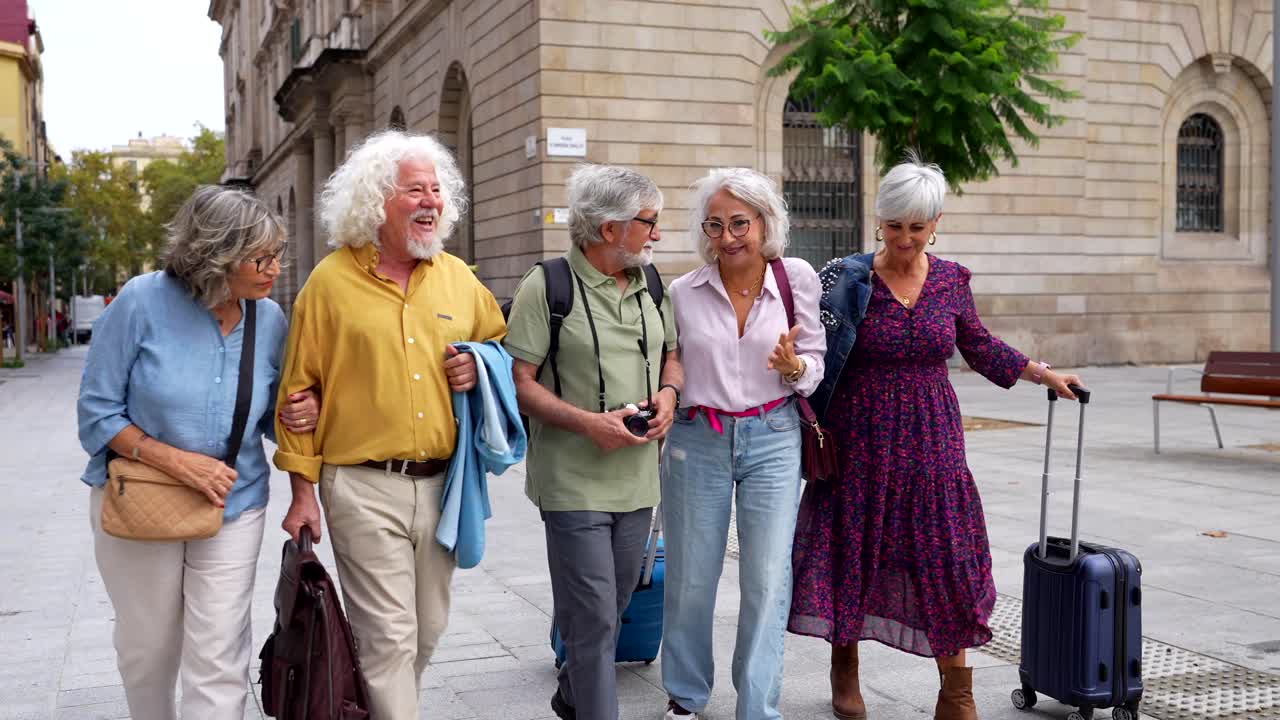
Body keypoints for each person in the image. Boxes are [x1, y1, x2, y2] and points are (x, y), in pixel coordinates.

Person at [787, 155, 1085, 720]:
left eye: (916, 227)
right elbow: (813, 355)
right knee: (856, 550)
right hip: (862, 438)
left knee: (945, 557)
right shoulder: (845, 278)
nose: (904, 238)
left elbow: (979, 344)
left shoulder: (951, 280)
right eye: (894, 225)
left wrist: (1042, 372)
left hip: (932, 439)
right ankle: (844, 667)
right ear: (879, 221)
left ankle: (956, 692)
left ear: (935, 223)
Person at [273, 129, 507, 720]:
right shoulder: (329, 283)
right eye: (414, 191)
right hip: (361, 485)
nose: (431, 202)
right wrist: (303, 494)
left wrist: (479, 369)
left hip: (442, 487)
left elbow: (502, 351)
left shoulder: (458, 277)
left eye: (437, 191)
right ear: (376, 200)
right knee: (389, 640)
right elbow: (297, 391)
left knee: (427, 632)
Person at [76, 186, 317, 719]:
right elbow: (96, 413)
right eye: (261, 257)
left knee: (219, 654)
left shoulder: (270, 319)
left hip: (234, 503)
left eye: (277, 255)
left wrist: (299, 415)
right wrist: (177, 462)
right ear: (216, 255)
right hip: (141, 499)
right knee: (149, 648)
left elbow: (274, 415)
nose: (275, 268)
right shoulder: (140, 301)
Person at [504, 164, 681, 720]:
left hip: (638, 478)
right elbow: (519, 383)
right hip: (572, 480)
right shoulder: (547, 286)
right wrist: (588, 423)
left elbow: (672, 352)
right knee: (596, 615)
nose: (657, 234)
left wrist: (670, 393)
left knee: (616, 602)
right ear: (610, 229)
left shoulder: (652, 283)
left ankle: (575, 687)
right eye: (648, 222)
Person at [659, 168, 825, 720]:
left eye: (739, 223)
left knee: (766, 575)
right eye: (715, 225)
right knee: (690, 574)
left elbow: (816, 363)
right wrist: (666, 391)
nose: (727, 237)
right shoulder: (683, 291)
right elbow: (673, 357)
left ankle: (758, 706)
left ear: (763, 222)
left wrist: (794, 366)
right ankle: (685, 695)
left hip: (774, 434)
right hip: (696, 437)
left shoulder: (795, 278)